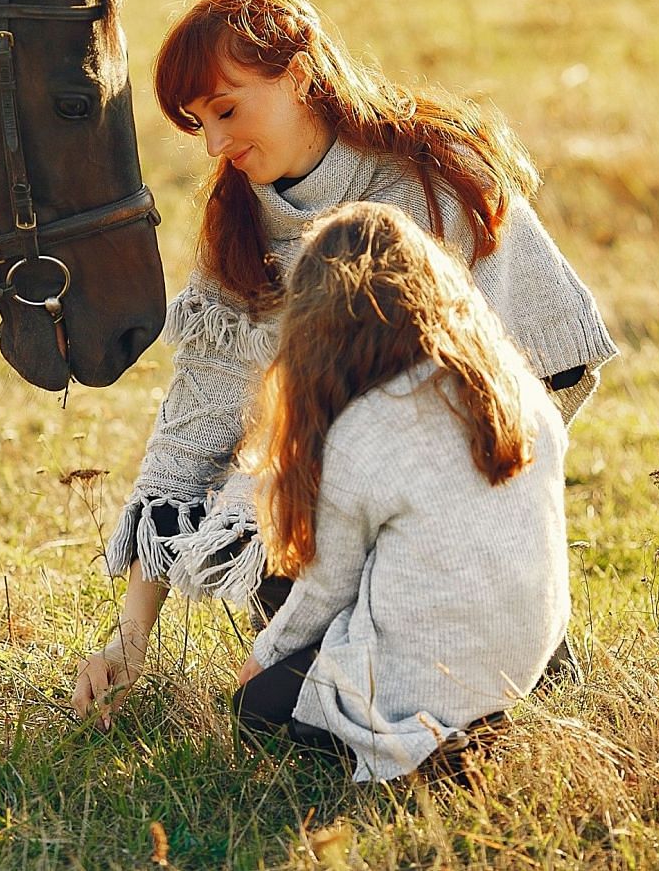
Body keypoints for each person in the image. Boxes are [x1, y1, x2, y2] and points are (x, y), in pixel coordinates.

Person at [70, 0, 614, 730]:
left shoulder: (438, 175)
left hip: (462, 507)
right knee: (265, 527)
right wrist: (128, 644)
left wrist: (462, 515)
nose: (217, 146)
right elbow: (192, 433)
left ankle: (502, 657)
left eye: (227, 110)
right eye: (198, 124)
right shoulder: (237, 225)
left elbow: (549, 373)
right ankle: (390, 676)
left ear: (298, 73)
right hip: (342, 506)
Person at [230, 202, 572, 780]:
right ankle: (481, 716)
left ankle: (424, 738)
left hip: (423, 682)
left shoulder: (366, 430)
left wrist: (259, 663)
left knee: (256, 706)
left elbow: (324, 593)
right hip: (525, 656)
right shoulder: (518, 392)